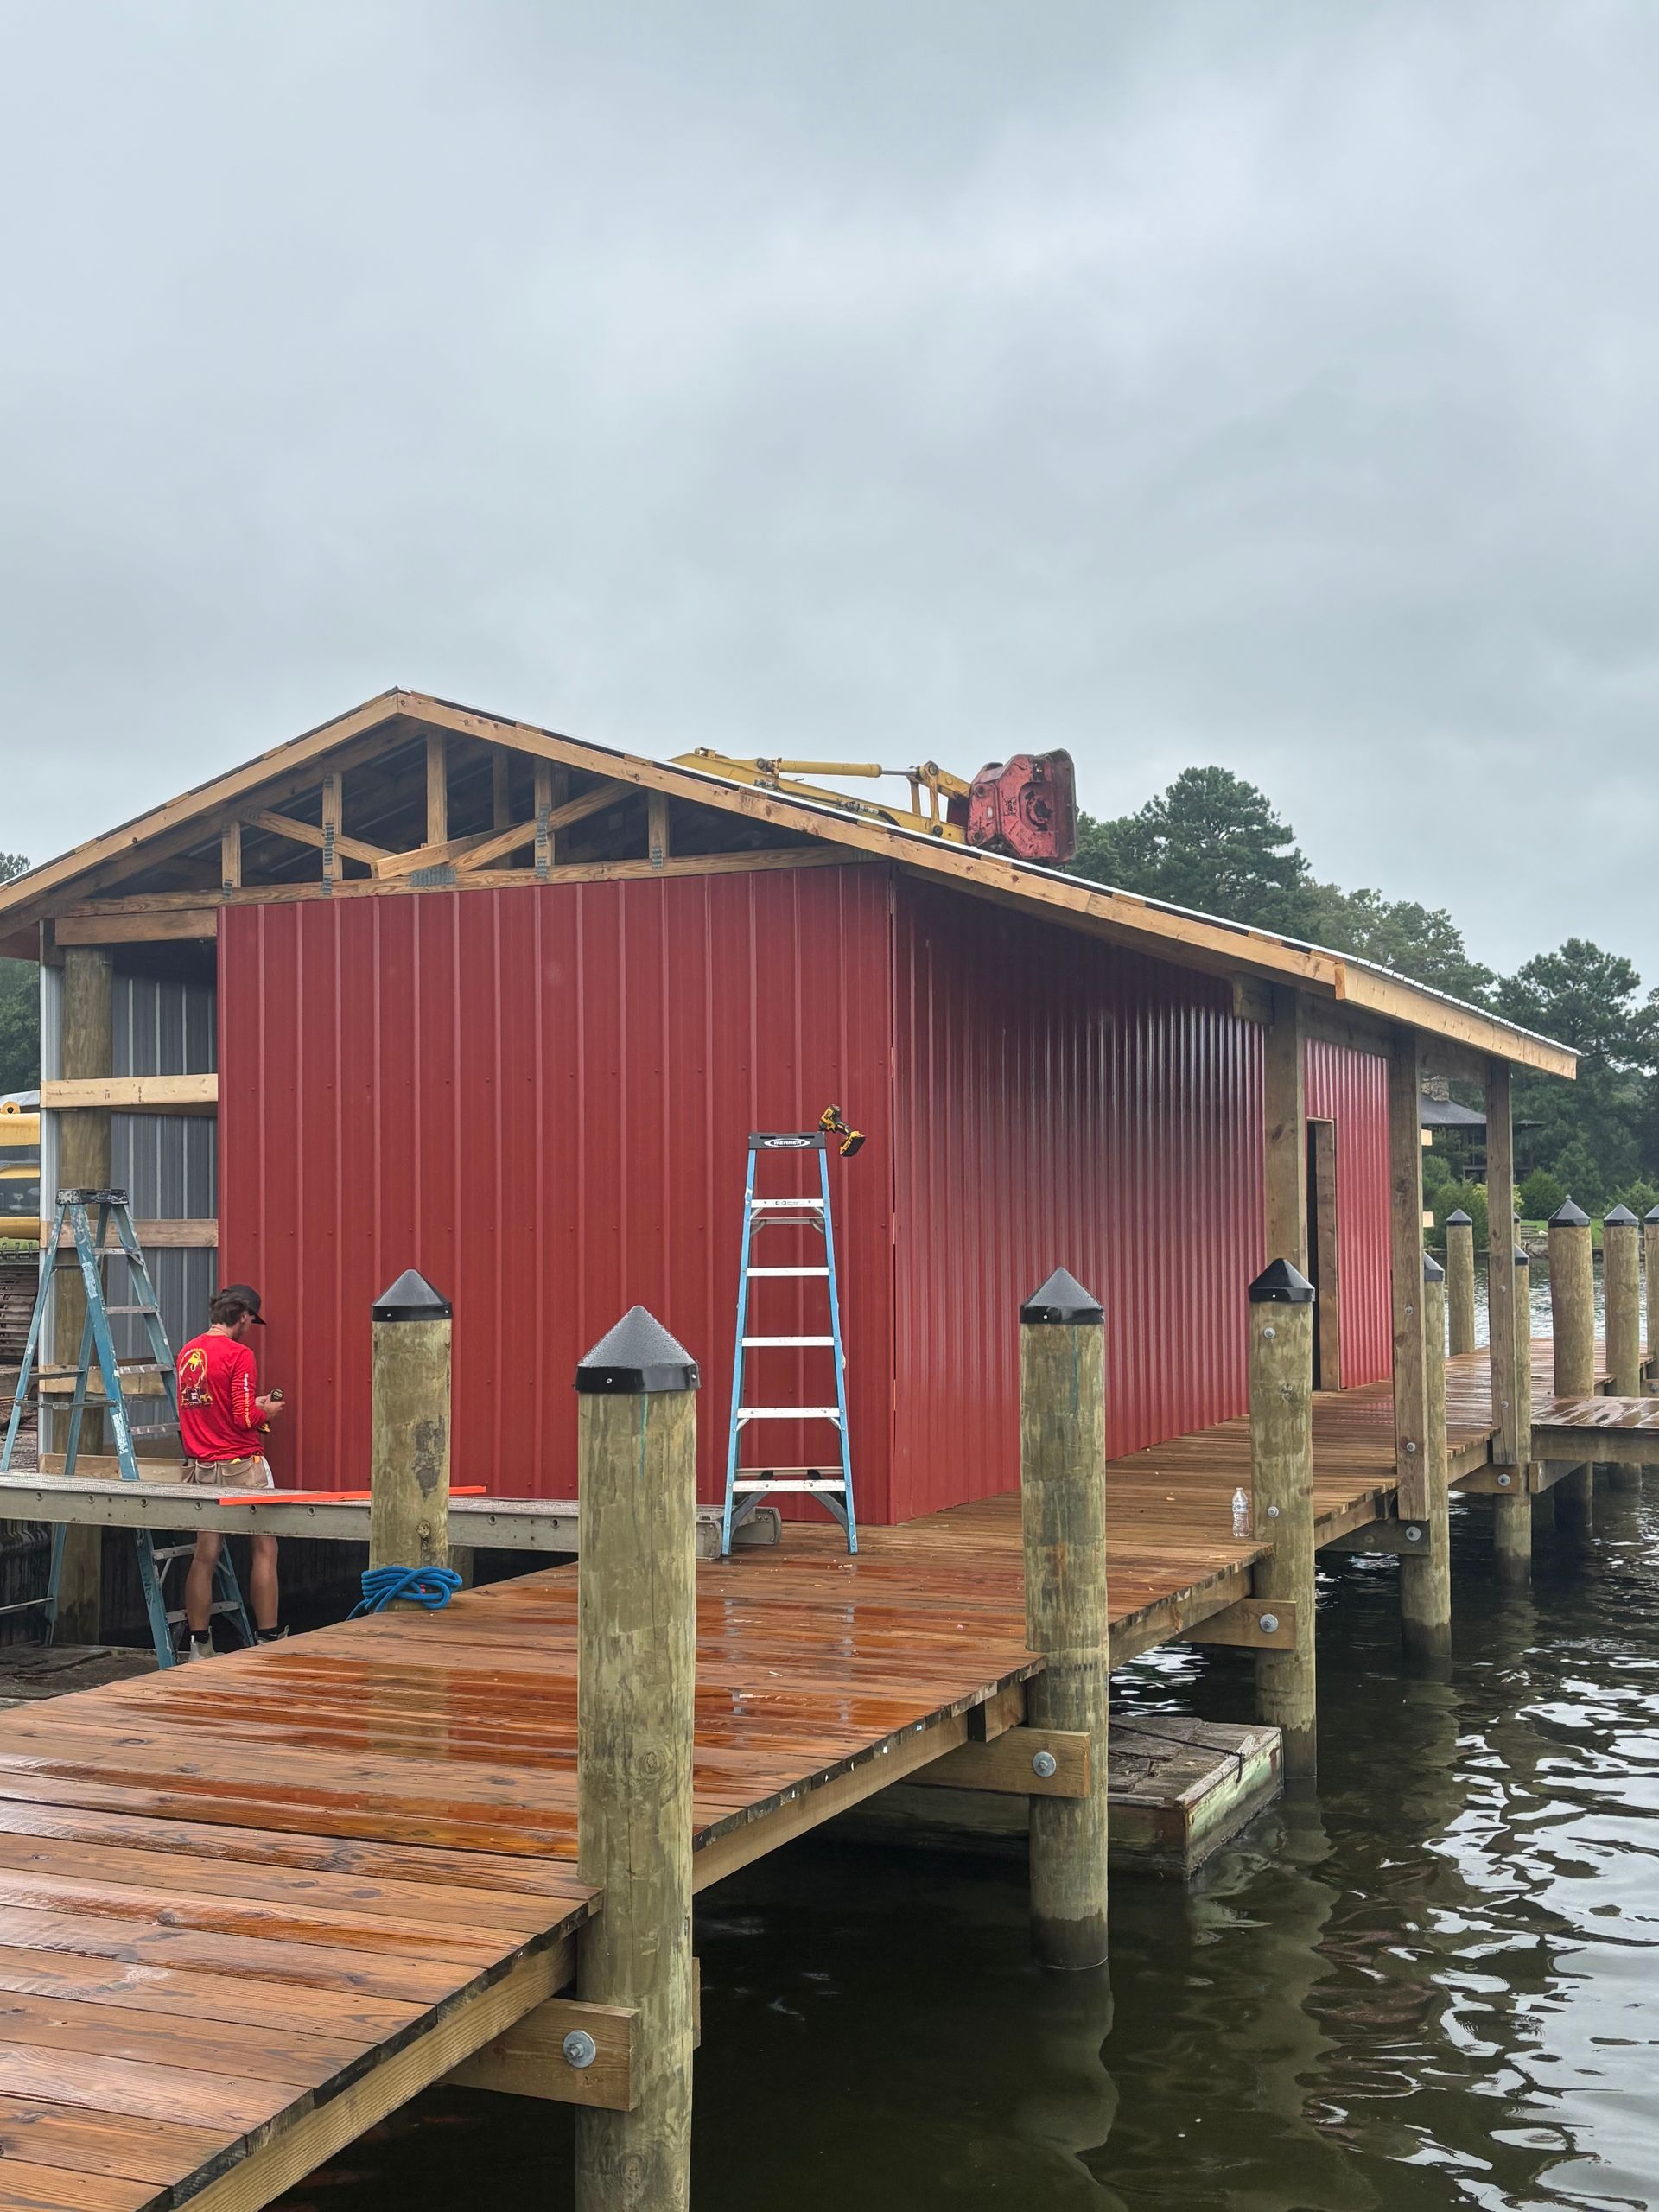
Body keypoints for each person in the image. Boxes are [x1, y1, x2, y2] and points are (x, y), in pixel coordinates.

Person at [174, 1282, 287, 1661]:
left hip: (201, 1467)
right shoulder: (240, 1354)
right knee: (264, 1549)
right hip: (242, 1466)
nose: (250, 1328)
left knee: (205, 1554)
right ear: (242, 1316)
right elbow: (242, 1417)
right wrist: (266, 1411)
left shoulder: (188, 1352)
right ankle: (269, 1640)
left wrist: (246, 1406)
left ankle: (199, 1644)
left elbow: (207, 1407)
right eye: (251, 1321)